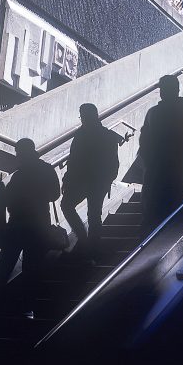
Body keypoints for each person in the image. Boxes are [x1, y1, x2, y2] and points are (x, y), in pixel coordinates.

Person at [0, 138, 60, 316]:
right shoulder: (46, 169)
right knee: (31, 268)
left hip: (17, 226)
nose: (17, 156)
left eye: (18, 153)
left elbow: (8, 199)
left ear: (22, 153)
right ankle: (27, 307)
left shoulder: (19, 174)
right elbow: (55, 194)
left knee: (4, 266)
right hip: (39, 226)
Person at [61, 104, 121, 260]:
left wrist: (67, 179)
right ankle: (91, 247)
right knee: (94, 215)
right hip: (97, 182)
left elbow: (73, 160)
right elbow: (114, 163)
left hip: (83, 181)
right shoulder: (107, 135)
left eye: (83, 116)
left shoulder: (81, 135)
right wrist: (108, 179)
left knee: (68, 206)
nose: (82, 119)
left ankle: (85, 241)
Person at [139, 74, 183, 228]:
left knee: (153, 214)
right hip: (181, 170)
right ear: (177, 90)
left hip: (156, 172)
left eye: (162, 89)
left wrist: (147, 164)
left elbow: (143, 142)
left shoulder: (153, 113)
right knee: (179, 215)